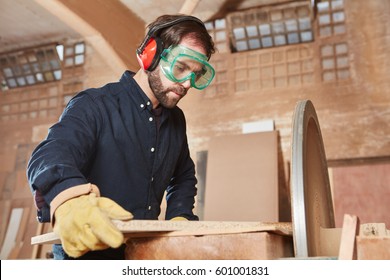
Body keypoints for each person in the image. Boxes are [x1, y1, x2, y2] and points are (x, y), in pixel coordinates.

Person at [26, 14, 216, 260]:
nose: (187, 83)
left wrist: (180, 217)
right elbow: (51, 155)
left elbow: (183, 176)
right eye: (181, 68)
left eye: (196, 74)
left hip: (141, 254)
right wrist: (69, 199)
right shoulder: (95, 105)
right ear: (150, 54)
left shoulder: (176, 120)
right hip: (86, 259)